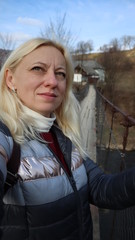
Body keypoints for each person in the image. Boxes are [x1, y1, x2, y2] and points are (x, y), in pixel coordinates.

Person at [0, 37, 135, 240]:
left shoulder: (64, 136)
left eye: (60, 74)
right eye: (38, 68)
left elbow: (101, 188)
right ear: (11, 79)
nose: (52, 81)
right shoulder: (6, 135)